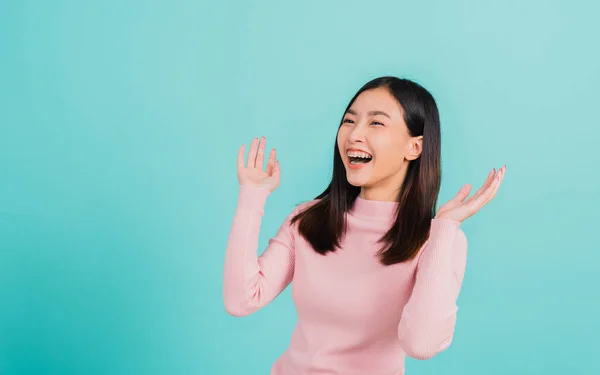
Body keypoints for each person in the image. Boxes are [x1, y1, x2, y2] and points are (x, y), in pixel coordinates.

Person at [223, 76, 506, 375]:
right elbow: (242, 300)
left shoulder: (436, 241)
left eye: (376, 123)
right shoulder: (307, 220)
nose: (354, 134)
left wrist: (445, 228)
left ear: (415, 147)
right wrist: (252, 196)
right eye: (349, 121)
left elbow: (421, 345)